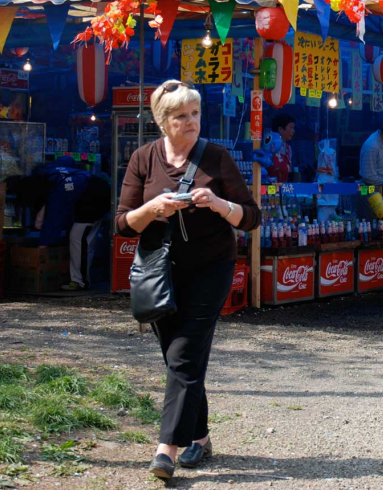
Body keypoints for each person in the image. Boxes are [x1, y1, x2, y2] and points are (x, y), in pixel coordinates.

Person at [115, 80, 260, 480]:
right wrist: (151, 209)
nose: (191, 121)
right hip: (159, 271)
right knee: (180, 358)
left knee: (184, 354)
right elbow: (122, 224)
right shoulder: (143, 158)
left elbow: (251, 216)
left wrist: (218, 203)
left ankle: (167, 448)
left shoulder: (216, 157)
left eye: (195, 113)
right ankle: (199, 436)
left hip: (211, 268)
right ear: (163, 121)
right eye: (181, 115)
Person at [62, 171, 111, 291]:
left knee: (79, 243)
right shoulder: (85, 177)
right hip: (95, 210)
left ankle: (79, 281)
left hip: (88, 211)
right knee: (86, 244)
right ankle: (83, 280)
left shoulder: (59, 180)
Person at [268, 114, 295, 182]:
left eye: (293, 128)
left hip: (283, 189)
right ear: (280, 129)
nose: (293, 131)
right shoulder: (268, 146)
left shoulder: (288, 149)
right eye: (291, 128)